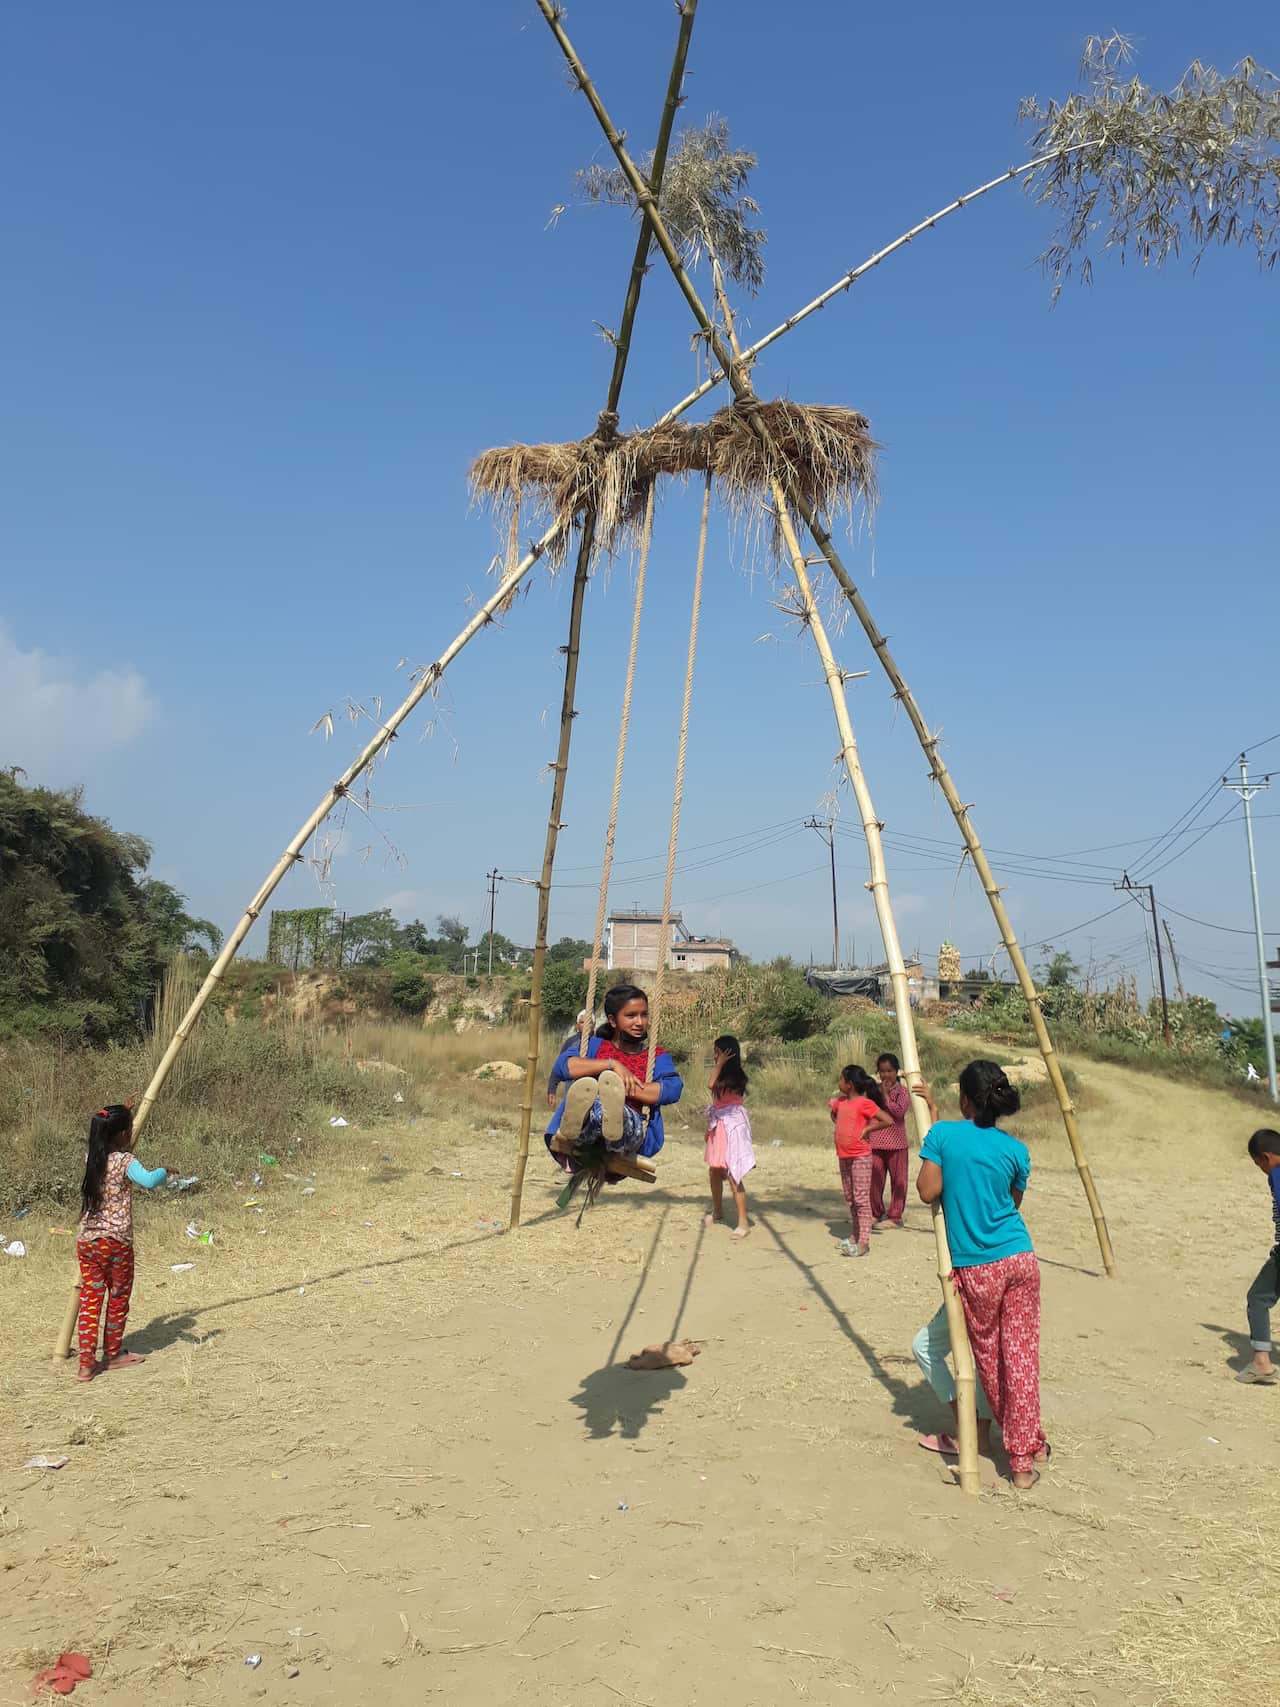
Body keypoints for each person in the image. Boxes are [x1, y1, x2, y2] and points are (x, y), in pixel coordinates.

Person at [913, 1061, 1050, 1489]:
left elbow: (927, 1191)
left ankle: (1014, 1451)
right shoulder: (1015, 1150)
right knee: (1022, 1360)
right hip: (1021, 1258)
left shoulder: (943, 1137)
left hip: (979, 1267)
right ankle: (1028, 1455)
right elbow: (1012, 1203)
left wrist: (935, 1135)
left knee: (991, 1362)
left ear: (965, 1098)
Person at [76, 1103, 172, 1383]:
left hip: (87, 1242)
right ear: (120, 1135)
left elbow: (104, 1124)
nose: (131, 1134)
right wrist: (164, 1170)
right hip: (116, 1243)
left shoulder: (91, 1157)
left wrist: (121, 1112)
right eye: (128, 1129)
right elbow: (150, 1181)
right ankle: (114, 1354)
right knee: (117, 1297)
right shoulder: (125, 1161)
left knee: (90, 1301)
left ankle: (85, 1365)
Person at [544, 984, 682, 1173]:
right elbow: (563, 1066)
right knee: (594, 1105)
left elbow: (673, 1089)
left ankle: (608, 1115)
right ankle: (578, 1122)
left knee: (617, 1113)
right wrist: (612, 1065)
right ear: (613, 1020)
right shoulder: (595, 1047)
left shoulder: (655, 1056)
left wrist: (621, 1087)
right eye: (631, 1015)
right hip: (590, 1125)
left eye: (644, 1015)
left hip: (630, 1132)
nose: (640, 1022)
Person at [912, 1306, 994, 1457]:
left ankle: (967, 1428)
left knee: (924, 1347)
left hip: (968, 1290)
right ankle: (980, 1434)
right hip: (996, 1288)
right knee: (987, 1355)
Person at [830, 1065, 894, 1257]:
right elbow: (838, 1119)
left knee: (861, 1199)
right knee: (851, 1198)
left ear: (849, 1084)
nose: (838, 1082)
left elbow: (887, 1120)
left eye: (841, 1079)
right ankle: (855, 1235)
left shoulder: (864, 1103)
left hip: (860, 1156)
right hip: (844, 1156)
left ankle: (864, 1241)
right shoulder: (841, 1102)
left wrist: (867, 1130)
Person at [704, 1034, 755, 1238]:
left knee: (734, 1175)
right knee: (714, 1171)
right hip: (719, 1126)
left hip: (732, 1127)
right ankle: (717, 1212)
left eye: (718, 1052)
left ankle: (743, 1223)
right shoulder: (722, 1074)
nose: (715, 1056)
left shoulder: (736, 1076)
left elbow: (710, 1085)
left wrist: (720, 1065)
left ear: (727, 1054)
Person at [1239, 1128, 1280, 1384]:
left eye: (1258, 1165)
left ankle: (1261, 1362)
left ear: (1265, 1157)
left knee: (1258, 1297)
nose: (1261, 1170)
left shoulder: (1276, 1174)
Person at [870, 1051, 913, 1230]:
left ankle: (895, 1216)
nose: (886, 1075)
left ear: (896, 1072)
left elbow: (898, 1112)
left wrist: (886, 1097)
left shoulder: (902, 1092)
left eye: (889, 1071)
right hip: (876, 1142)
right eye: (882, 1071)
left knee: (899, 1181)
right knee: (874, 1180)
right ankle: (875, 1213)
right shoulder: (873, 1091)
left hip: (897, 1144)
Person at [547, 1010, 593, 1109]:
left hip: (593, 1089)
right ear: (577, 1026)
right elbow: (558, 1068)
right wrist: (552, 1090)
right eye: (582, 1022)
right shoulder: (571, 1043)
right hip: (572, 1088)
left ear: (594, 1025)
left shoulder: (601, 1042)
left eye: (589, 1022)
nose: (585, 1025)